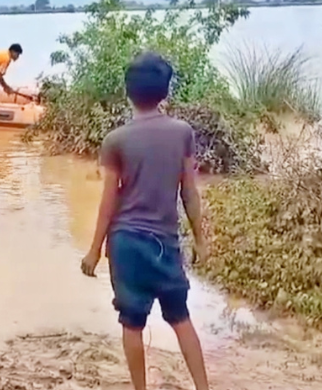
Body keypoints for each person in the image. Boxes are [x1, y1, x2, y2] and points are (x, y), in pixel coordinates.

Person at [80, 52, 210, 390]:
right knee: (181, 318)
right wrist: (200, 239)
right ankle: (203, 387)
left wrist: (94, 250)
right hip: (164, 243)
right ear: (165, 93)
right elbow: (189, 193)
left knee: (132, 323)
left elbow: (108, 201)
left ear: (127, 91)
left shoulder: (116, 140)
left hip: (126, 243)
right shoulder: (182, 132)